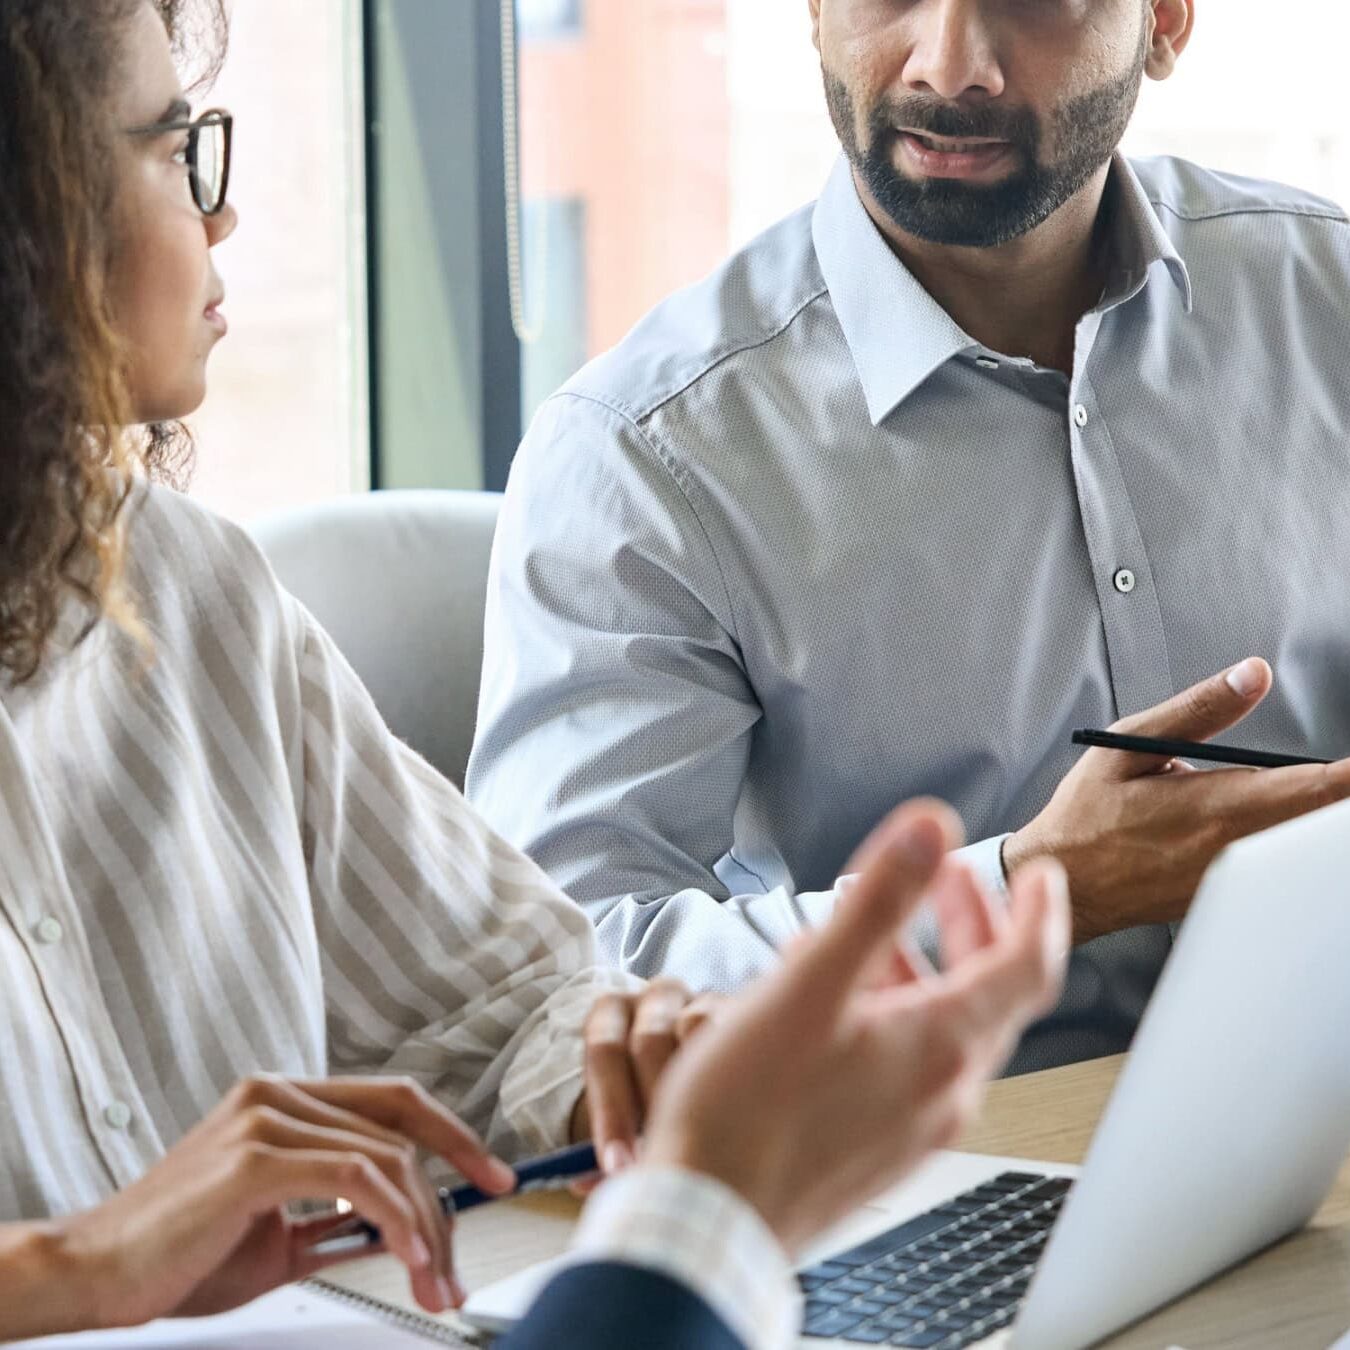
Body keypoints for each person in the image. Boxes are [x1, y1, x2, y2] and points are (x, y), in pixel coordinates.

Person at [0, 2, 1068, 1346]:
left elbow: (505, 996)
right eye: (174, 149)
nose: (219, 222)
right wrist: (66, 1264)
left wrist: (626, 1069)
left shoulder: (191, 592)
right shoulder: (657, 435)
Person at [467, 0, 1350, 1072]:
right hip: (920, 1175)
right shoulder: (641, 459)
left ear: (1163, 21)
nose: (949, 66)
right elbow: (564, 985)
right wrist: (1031, 891)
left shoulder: (1327, 297)